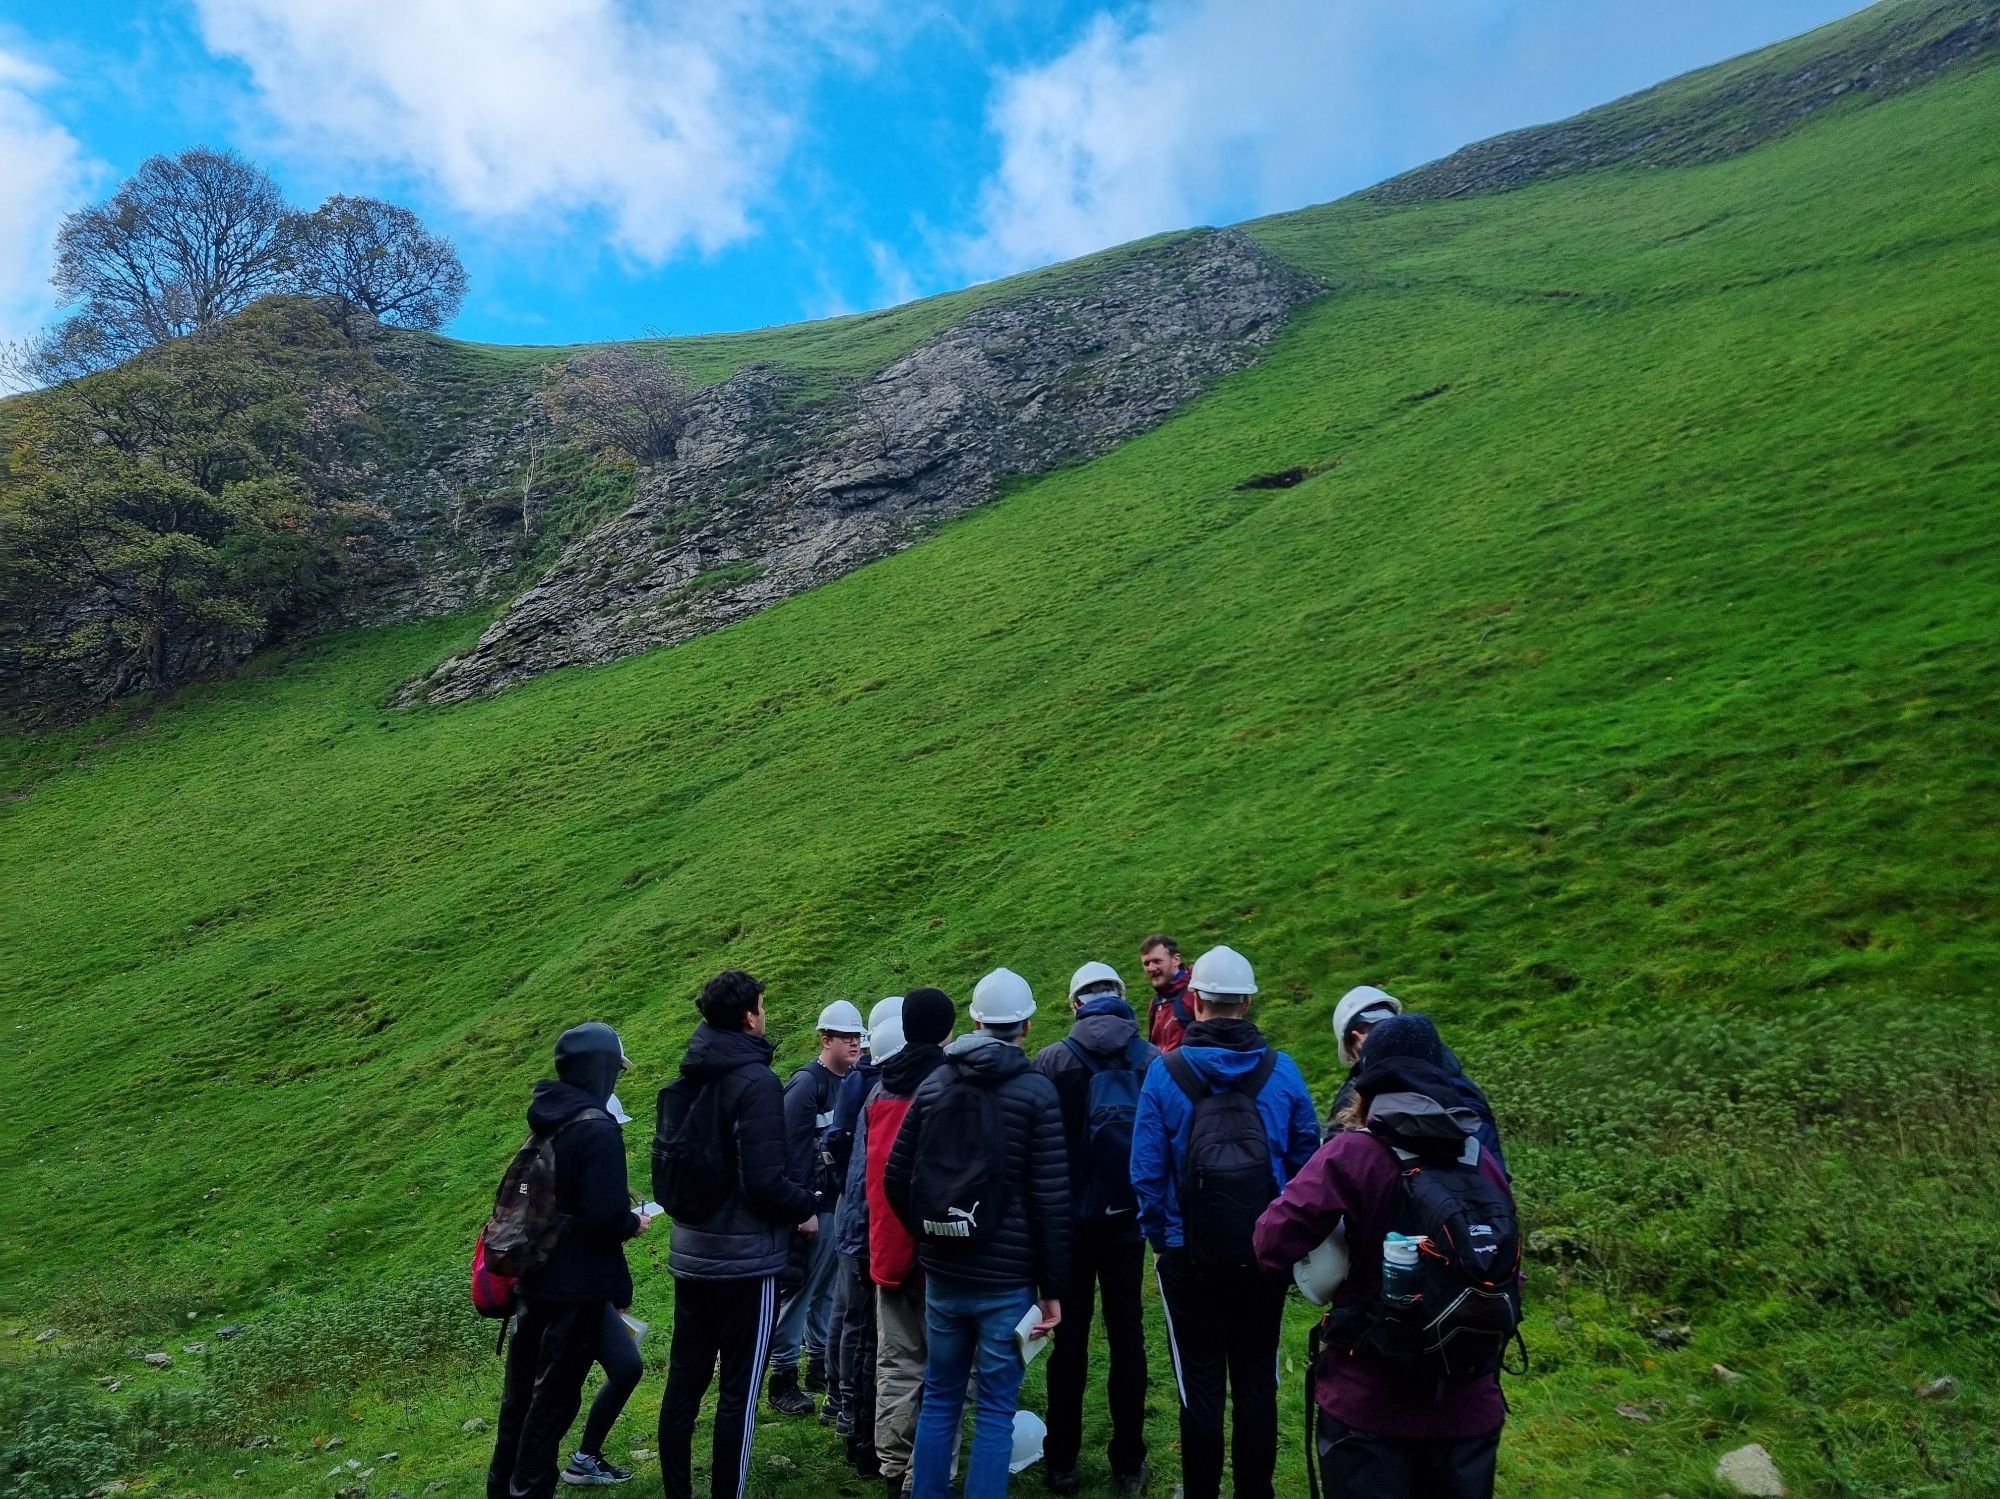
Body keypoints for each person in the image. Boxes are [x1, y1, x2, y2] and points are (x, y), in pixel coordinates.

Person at [1253, 1013, 1518, 1499]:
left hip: (1369, 1405)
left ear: (1369, 1083)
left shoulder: (1352, 1155)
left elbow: (1271, 1240)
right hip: (1469, 1406)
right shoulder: (1481, 1160)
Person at [1130, 946, 1319, 1499]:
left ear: (1195, 999)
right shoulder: (1280, 1071)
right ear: (1249, 1000)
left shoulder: (1165, 1074)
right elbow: (1310, 1162)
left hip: (1190, 1258)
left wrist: (1163, 1240)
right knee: (1258, 1380)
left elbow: (1144, 1169)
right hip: (1264, 1255)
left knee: (1201, 1384)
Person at [886, 968, 1071, 1499]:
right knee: (995, 1408)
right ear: (1027, 1026)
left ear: (974, 1020)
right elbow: (1051, 1199)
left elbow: (897, 1176)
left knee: (940, 1397)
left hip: (943, 1272)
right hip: (1008, 1282)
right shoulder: (1037, 1093)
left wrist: (928, 1235)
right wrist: (1052, 1288)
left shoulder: (935, 1084)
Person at [656, 971, 821, 1499]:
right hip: (746, 1262)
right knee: (739, 1392)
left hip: (691, 1252)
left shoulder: (688, 1078)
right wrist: (806, 1208)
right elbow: (765, 1181)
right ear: (750, 1017)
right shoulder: (756, 1082)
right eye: (763, 1006)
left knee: (684, 1383)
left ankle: (678, 1491)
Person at [488, 1023, 650, 1499]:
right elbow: (603, 1217)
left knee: (519, 1403)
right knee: (551, 1408)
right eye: (615, 1070)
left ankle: (501, 1490)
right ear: (602, 1069)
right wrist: (630, 1224)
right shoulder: (597, 1128)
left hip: (534, 1277)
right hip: (575, 1289)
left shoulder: (550, 1119)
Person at [1031, 961, 1156, 1496]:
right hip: (1129, 1223)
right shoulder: (1153, 1060)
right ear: (1122, 999)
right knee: (1128, 1337)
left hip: (1069, 1226)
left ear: (1076, 1003)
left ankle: (1061, 1461)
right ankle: (1129, 1462)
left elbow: (1036, 1153)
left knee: (1070, 1342)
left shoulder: (1052, 1061)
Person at [867, 988, 957, 1499]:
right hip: (939, 1246)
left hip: (887, 1245)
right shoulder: (948, 1086)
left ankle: (893, 1463)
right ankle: (927, 1475)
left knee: (898, 1360)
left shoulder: (880, 1090)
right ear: (947, 1030)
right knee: (946, 1369)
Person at [768, 999, 867, 1416]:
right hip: (814, 1205)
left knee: (827, 1290)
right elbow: (790, 1153)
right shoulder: (807, 1084)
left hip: (838, 1201)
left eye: (858, 1037)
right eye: (846, 1037)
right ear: (824, 1040)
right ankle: (781, 1376)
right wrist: (803, 1209)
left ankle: (818, 1363)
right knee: (803, 1288)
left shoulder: (853, 1080)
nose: (855, 1044)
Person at [828, 997, 903, 1466]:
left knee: (854, 1322)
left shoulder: (863, 1085)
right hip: (869, 1229)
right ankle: (858, 1424)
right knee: (867, 1331)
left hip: (855, 1221)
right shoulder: (878, 1092)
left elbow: (839, 1147)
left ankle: (849, 1415)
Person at [1324, 986, 1505, 1171]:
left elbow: (1334, 1166)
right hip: (1482, 1192)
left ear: (1357, 1038)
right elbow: (1490, 1155)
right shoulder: (1457, 1079)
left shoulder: (1357, 1092)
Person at [561, 1091, 645, 1486]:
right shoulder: (592, 1169)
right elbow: (598, 1233)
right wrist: (630, 1224)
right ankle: (573, 1460)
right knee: (621, 1368)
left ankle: (580, 1459)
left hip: (591, 1293)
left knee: (619, 1368)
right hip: (584, 1295)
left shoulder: (585, 1168)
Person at [1138, 933, 1195, 1052]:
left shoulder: (1194, 995)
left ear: (1176, 960)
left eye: (1157, 961)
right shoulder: (1155, 1002)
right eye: (1146, 963)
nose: (1151, 968)